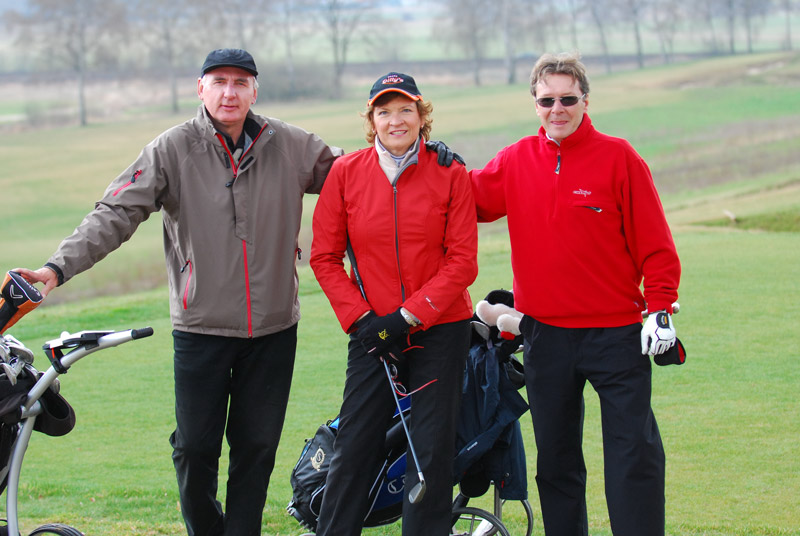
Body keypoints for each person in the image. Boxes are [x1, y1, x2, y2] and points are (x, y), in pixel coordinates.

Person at [14, 48, 344, 536]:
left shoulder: (291, 145)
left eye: (240, 82)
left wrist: (424, 157)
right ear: (201, 88)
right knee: (194, 447)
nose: (229, 92)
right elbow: (115, 213)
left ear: (255, 90)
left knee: (256, 449)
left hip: (274, 329)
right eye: (219, 82)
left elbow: (359, 179)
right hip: (200, 328)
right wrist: (56, 268)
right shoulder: (172, 149)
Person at [470, 52, 681, 536]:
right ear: (535, 103)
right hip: (546, 335)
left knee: (634, 454)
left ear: (586, 100)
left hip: (618, 335)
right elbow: (469, 199)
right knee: (558, 462)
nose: (557, 109)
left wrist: (661, 309)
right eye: (547, 100)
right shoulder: (517, 159)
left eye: (568, 99)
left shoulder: (620, 157)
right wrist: (434, 164)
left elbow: (656, 247)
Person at [309, 72, 478, 536]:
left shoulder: (450, 172)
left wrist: (406, 318)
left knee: (429, 449)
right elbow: (324, 257)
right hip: (371, 331)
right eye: (384, 111)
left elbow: (463, 263)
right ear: (371, 120)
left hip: (439, 329)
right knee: (355, 443)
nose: (395, 120)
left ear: (423, 116)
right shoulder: (345, 175)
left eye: (406, 109)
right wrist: (364, 321)